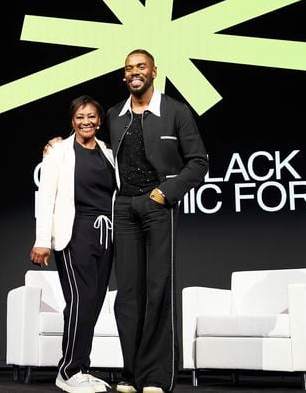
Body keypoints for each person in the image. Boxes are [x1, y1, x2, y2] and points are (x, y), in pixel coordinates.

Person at [44, 50, 208, 393]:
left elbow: (198, 162)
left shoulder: (176, 111)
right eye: (130, 68)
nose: (135, 72)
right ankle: (132, 374)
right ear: (124, 76)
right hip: (123, 212)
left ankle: (157, 377)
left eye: (141, 67)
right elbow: (90, 144)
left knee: (158, 289)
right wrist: (57, 144)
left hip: (157, 206)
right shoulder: (116, 115)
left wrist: (166, 193)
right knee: (128, 296)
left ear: (154, 72)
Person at [31, 95, 117, 393]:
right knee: (81, 299)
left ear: (100, 121)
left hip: (105, 235)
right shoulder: (58, 152)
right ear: (72, 121)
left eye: (92, 116)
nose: (86, 121)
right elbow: (47, 198)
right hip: (74, 232)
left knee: (93, 303)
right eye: (80, 117)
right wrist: (42, 241)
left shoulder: (107, 152)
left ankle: (81, 367)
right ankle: (67, 371)